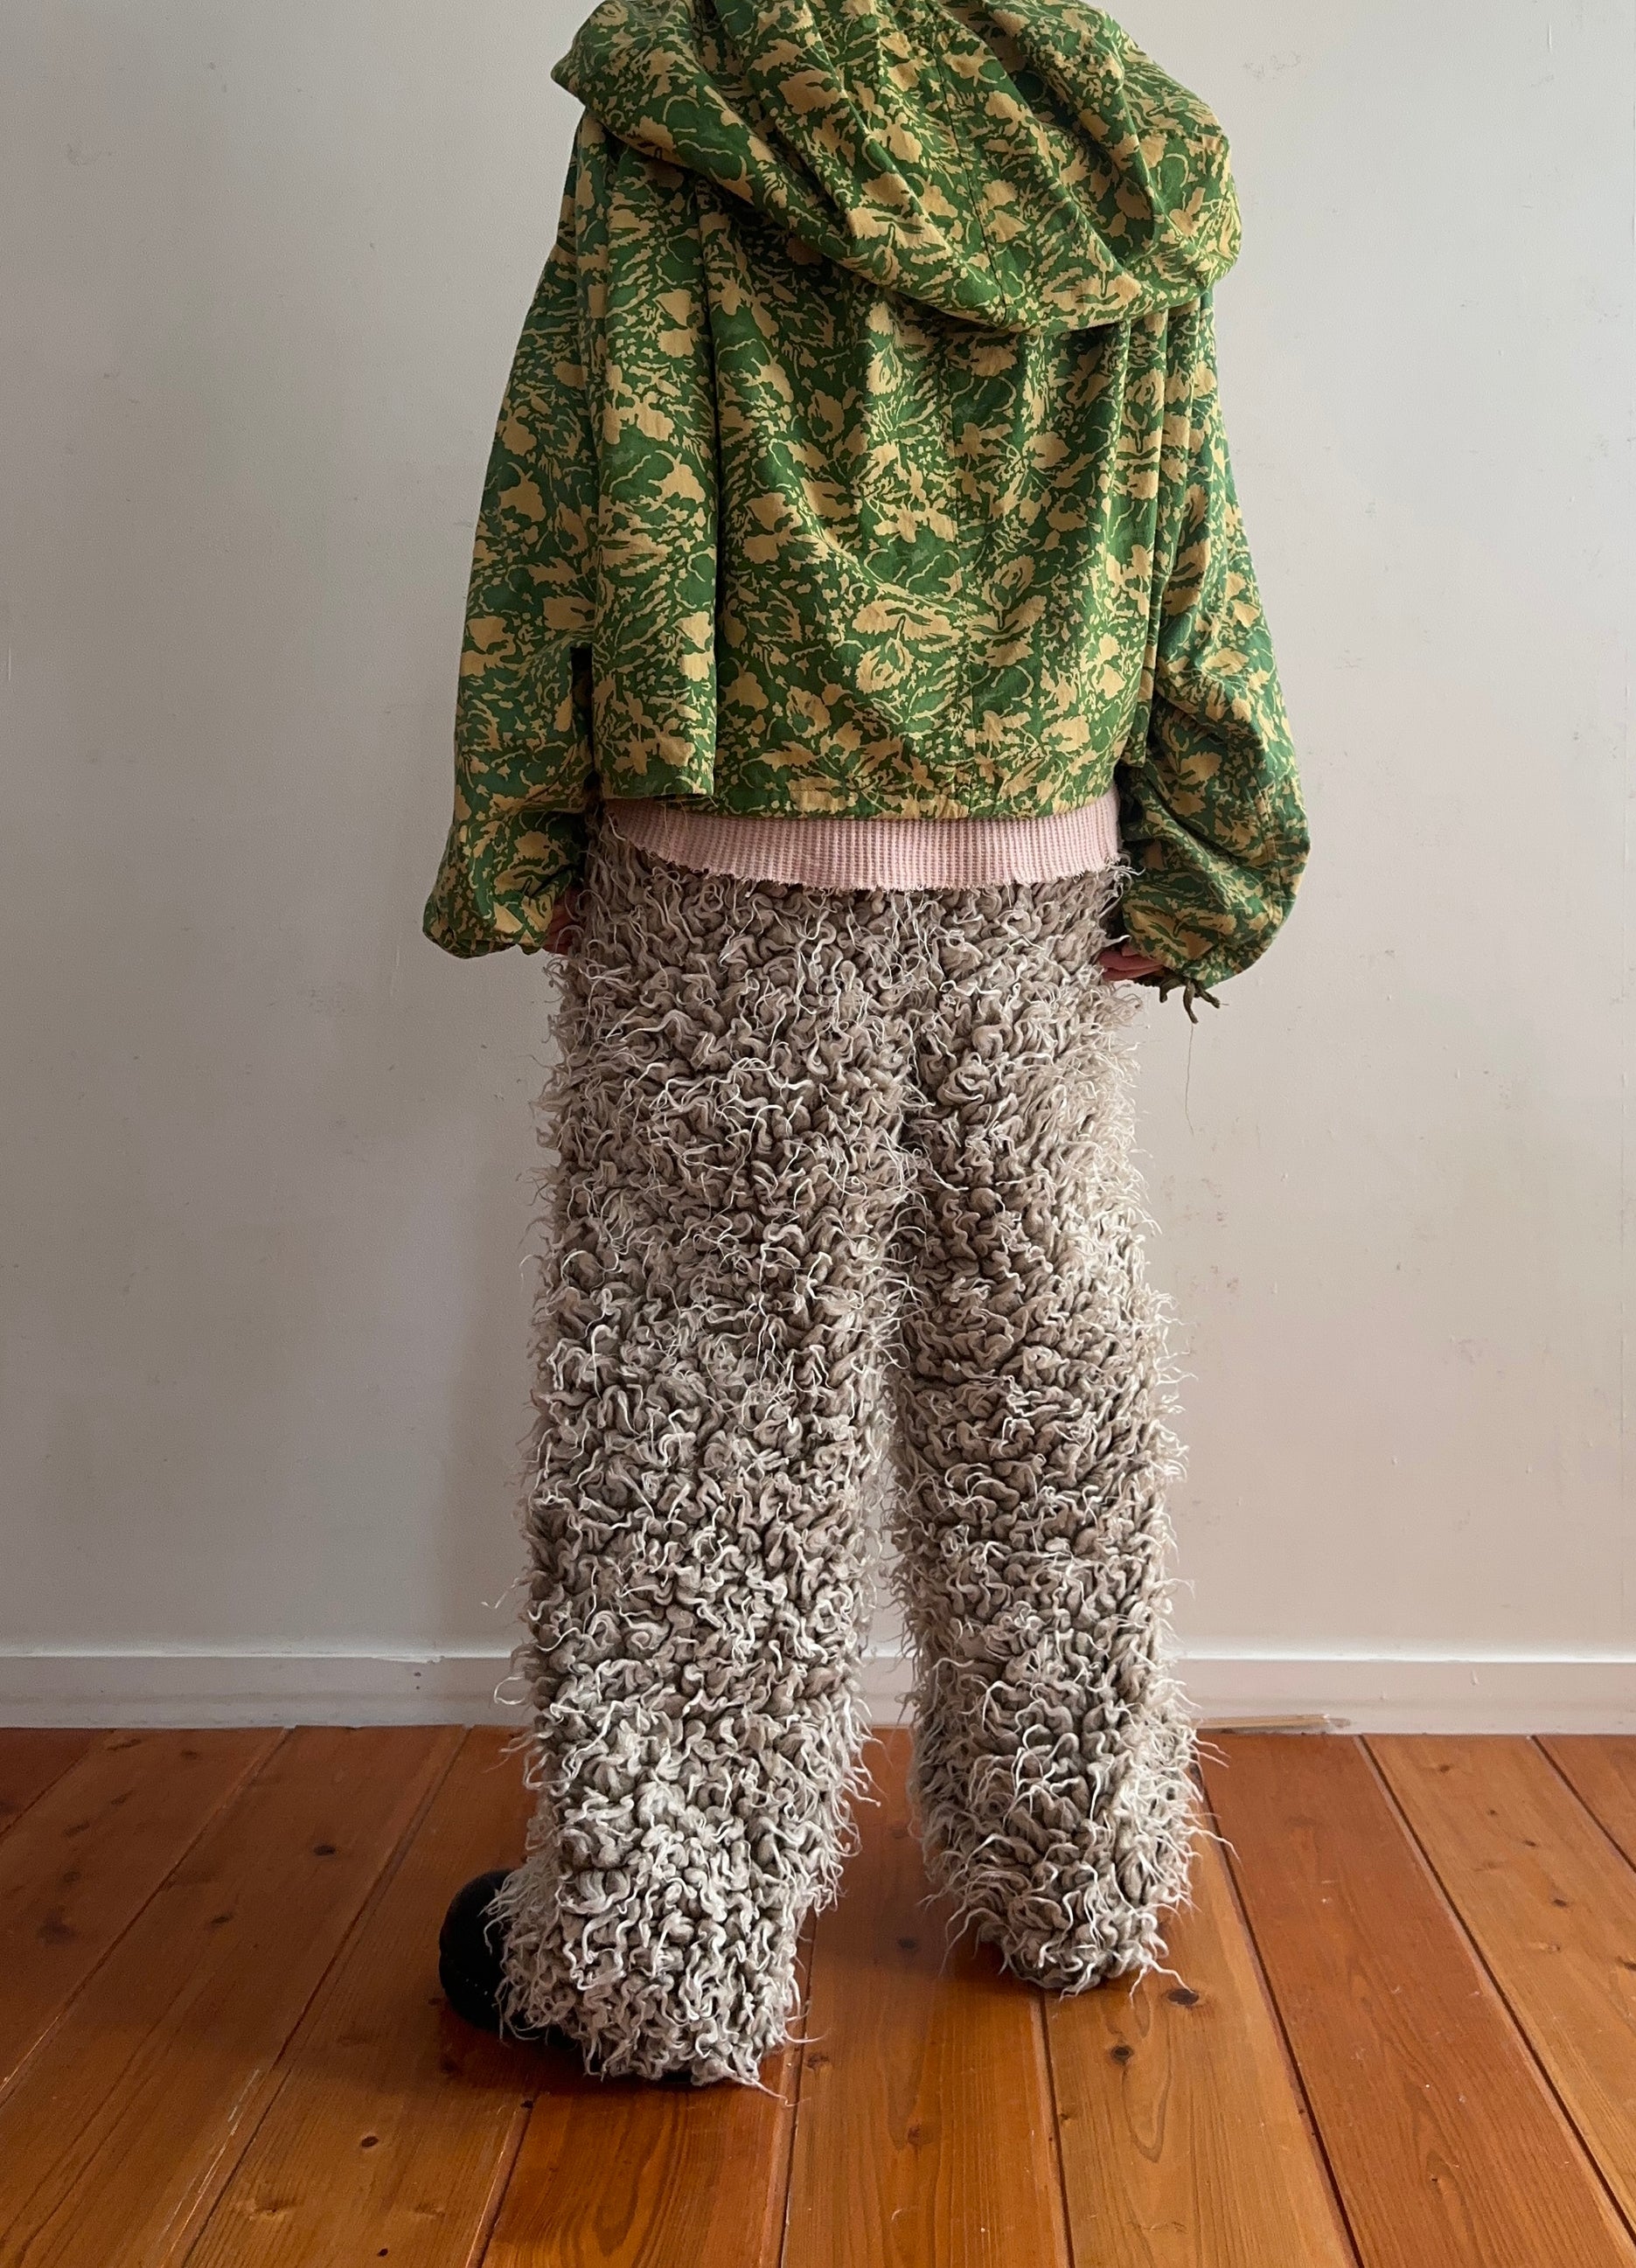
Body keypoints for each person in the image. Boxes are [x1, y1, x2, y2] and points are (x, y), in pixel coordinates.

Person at [426, 0, 1306, 2087]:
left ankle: (659, 1952)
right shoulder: (1115, 146)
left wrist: (517, 824)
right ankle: (1079, 1868)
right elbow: (1186, 539)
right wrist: (1212, 854)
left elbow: (565, 485)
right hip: (1031, 869)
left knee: (702, 1405)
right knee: (1045, 1371)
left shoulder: (678, 96)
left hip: (721, 852)